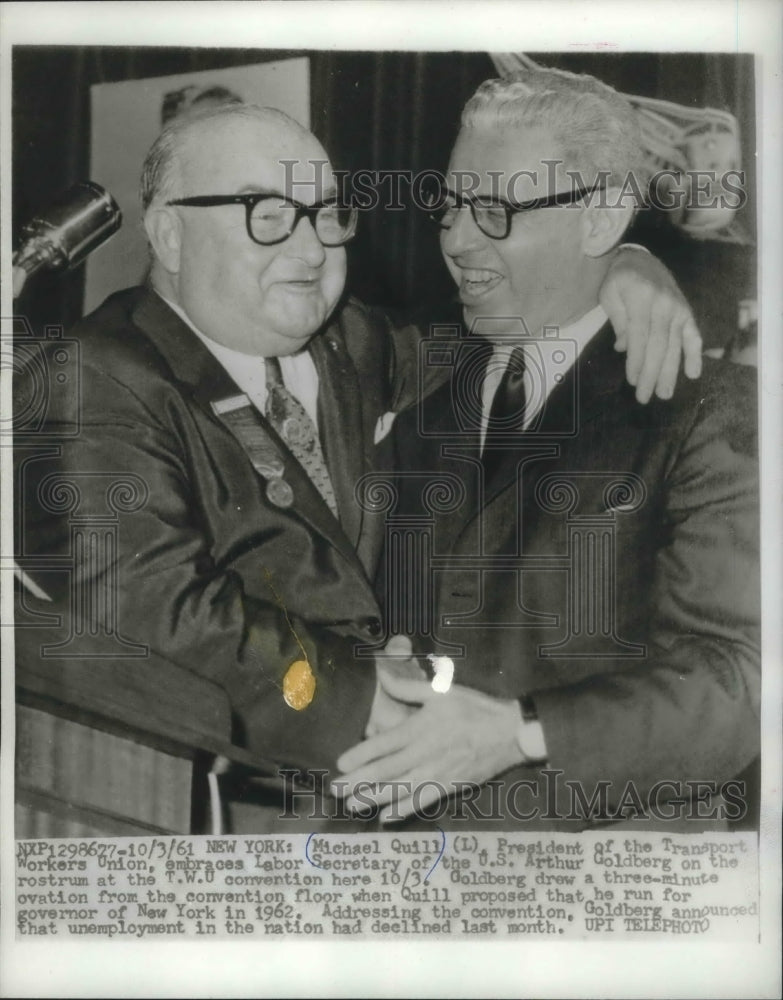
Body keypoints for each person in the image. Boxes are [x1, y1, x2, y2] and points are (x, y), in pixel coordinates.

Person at [14, 102, 703, 830]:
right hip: (204, 809)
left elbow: (519, 310)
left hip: (387, 818)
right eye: (268, 215)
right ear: (170, 234)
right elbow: (141, 601)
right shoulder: (86, 375)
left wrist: (621, 261)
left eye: (327, 214)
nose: (311, 250)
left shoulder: (351, 345)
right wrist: (361, 695)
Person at [335, 69, 759, 831]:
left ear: (600, 220)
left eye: (493, 211)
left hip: (611, 893)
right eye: (450, 208)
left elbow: (736, 682)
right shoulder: (422, 395)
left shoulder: (712, 410)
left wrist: (520, 734)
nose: (458, 241)